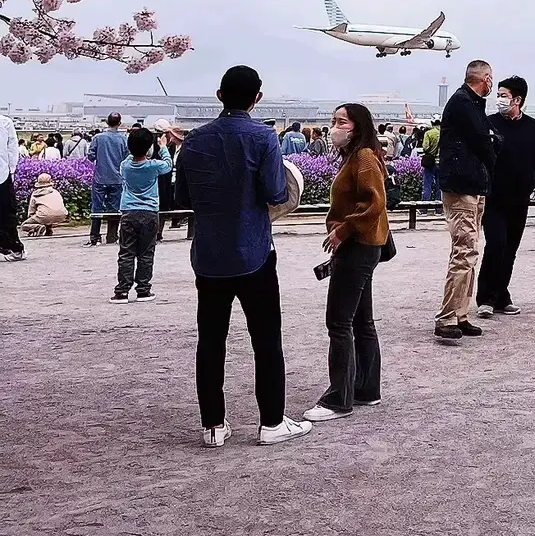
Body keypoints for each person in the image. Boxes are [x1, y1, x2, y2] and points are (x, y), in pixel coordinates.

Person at [174, 65, 310, 446]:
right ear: (258, 98)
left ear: (219, 95)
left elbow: (182, 197)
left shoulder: (194, 139)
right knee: (266, 338)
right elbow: (275, 192)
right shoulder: (263, 136)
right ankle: (271, 422)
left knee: (211, 339)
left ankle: (213, 425)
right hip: (254, 252)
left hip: (210, 256)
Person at [305, 102, 388, 421]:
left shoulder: (364, 157)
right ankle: (367, 389)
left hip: (357, 246)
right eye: (334, 120)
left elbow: (374, 204)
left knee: (339, 322)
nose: (335, 127)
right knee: (361, 320)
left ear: (358, 126)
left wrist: (343, 230)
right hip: (363, 245)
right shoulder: (359, 156)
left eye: (342, 121)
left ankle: (339, 397)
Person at [435, 59, 496, 345]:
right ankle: (447, 316)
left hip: (471, 183)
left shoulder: (470, 103)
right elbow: (483, 140)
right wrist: (496, 152)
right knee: (464, 250)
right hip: (462, 185)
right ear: (484, 79)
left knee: (470, 250)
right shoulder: (463, 103)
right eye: (491, 78)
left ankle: (461, 312)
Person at [476, 76, 535, 316]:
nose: (499, 100)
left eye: (504, 95)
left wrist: (527, 182)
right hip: (493, 196)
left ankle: (502, 294)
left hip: (520, 197)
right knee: (496, 244)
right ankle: (485, 297)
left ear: (518, 100)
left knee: (511, 249)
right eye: (499, 95)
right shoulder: (488, 123)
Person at [112, 125, 172, 301]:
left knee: (126, 252)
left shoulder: (125, 166)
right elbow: (168, 165)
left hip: (129, 212)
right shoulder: (154, 166)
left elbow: (131, 158)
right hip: (150, 213)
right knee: (146, 253)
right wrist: (163, 146)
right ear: (148, 148)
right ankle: (143, 289)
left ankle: (122, 290)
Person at [86, 113, 129, 246]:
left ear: (106, 122)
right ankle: (111, 236)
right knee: (114, 208)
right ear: (119, 123)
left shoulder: (98, 138)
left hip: (100, 178)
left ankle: (95, 237)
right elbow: (127, 158)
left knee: (96, 208)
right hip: (117, 179)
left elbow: (90, 156)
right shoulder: (124, 139)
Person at [0, 108, 23, 261]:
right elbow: (12, 150)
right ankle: (12, 247)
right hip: (3, 174)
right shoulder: (5, 122)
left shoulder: (5, 122)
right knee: (6, 212)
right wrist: (12, 170)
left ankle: (12, 247)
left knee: (6, 213)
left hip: (3, 173)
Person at [23, 171, 67, 237]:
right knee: (48, 213)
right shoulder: (55, 192)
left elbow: (31, 211)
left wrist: (32, 220)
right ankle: (48, 229)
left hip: (44, 216)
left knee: (24, 226)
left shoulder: (35, 194)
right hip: (62, 215)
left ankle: (38, 227)